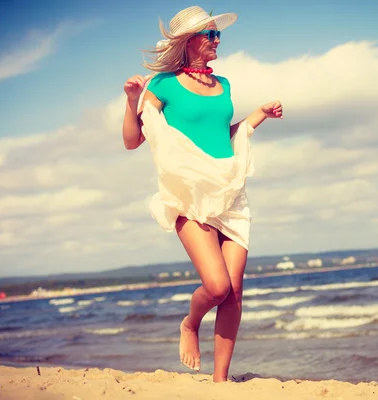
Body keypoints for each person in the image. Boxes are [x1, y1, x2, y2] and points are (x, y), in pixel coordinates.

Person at [121, 6, 283, 382]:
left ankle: (221, 380)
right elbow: (133, 140)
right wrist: (132, 102)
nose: (217, 41)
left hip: (229, 192)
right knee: (217, 286)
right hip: (189, 196)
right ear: (187, 42)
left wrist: (258, 114)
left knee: (235, 291)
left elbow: (222, 134)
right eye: (209, 35)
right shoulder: (162, 84)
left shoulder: (223, 84)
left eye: (217, 34)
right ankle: (190, 324)